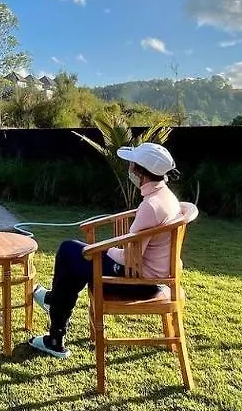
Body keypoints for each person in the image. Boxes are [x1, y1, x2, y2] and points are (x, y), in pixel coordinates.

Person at [29, 142, 181, 359]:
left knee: (68, 250)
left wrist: (103, 249)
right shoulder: (166, 197)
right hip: (150, 278)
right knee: (74, 257)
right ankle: (54, 316)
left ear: (141, 172)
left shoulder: (151, 206)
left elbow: (129, 259)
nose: (129, 168)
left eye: (132, 165)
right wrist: (105, 249)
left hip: (137, 284)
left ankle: (55, 324)